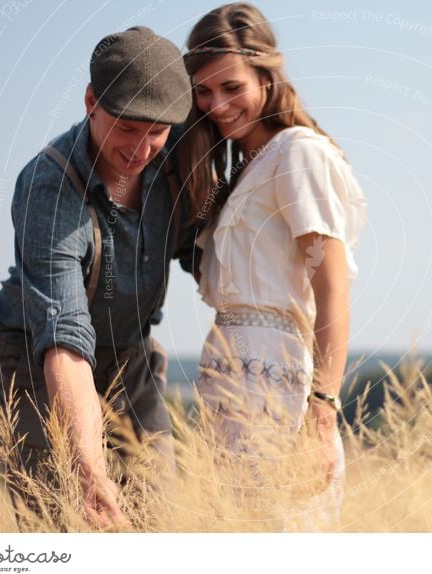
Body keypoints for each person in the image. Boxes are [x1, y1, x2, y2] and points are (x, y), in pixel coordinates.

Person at [0, 26, 196, 530]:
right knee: (60, 519)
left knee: (155, 515)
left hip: (129, 352)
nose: (142, 148)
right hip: (38, 358)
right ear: (91, 101)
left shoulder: (178, 152)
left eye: (157, 131)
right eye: (127, 126)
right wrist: (88, 467)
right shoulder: (49, 187)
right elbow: (66, 343)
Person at [180, 3, 367, 529]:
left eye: (232, 86)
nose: (217, 104)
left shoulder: (296, 154)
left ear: (266, 75)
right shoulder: (237, 171)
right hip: (226, 389)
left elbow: (331, 288)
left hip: (277, 385)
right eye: (203, 91)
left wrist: (322, 416)